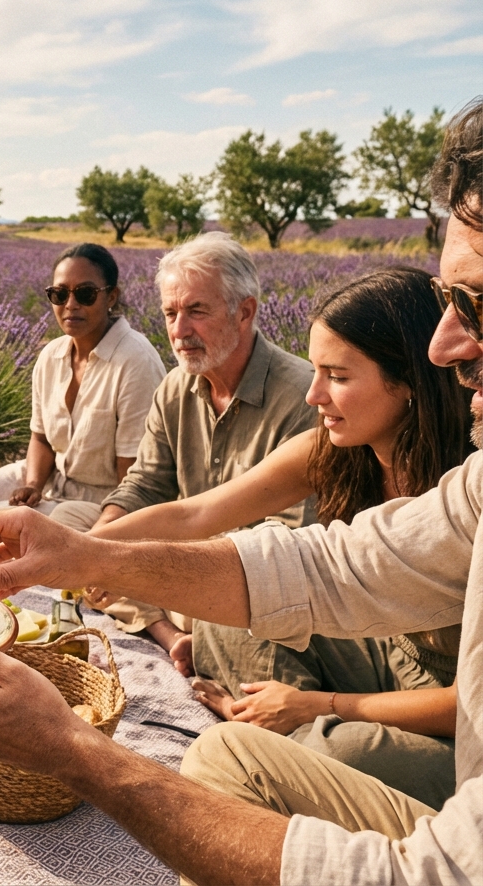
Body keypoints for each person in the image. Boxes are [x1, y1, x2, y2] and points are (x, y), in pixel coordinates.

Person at [0, 97, 483, 886]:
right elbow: (308, 563)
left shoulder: (310, 404)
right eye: (449, 305)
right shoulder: (456, 480)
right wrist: (84, 551)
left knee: (287, 732)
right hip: (377, 665)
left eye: (472, 304)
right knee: (232, 646)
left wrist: (78, 754)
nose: (448, 345)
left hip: (422, 729)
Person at [84, 267, 468, 809]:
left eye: (337, 376)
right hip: (392, 658)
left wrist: (319, 704)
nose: (313, 394)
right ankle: (281, 737)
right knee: (230, 613)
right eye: (315, 371)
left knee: (342, 757)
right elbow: (196, 516)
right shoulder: (339, 452)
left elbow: (466, 703)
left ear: (407, 382)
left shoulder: (464, 490)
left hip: (460, 723)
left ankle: (285, 741)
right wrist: (80, 554)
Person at [51, 231, 316, 669]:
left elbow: (288, 546)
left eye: (196, 311)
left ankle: (170, 625)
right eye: (171, 313)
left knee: (216, 613)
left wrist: (126, 561)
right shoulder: (177, 386)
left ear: (244, 311)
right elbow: (145, 482)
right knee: (72, 523)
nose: (178, 331)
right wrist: (97, 546)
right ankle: (170, 633)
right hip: (181, 548)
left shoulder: (300, 396)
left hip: (248, 577)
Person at [0, 243, 165, 533]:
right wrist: (33, 485)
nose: (71, 305)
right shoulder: (52, 355)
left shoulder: (135, 362)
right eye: (59, 295)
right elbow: (42, 438)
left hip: (107, 500)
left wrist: (107, 532)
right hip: (56, 477)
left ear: (111, 296)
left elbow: (133, 481)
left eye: (85, 294)